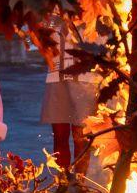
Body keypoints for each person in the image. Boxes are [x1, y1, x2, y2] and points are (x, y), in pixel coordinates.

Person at [40, 22, 98, 174]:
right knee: (59, 135)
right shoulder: (53, 6)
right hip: (57, 74)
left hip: (86, 77)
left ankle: (79, 185)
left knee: (81, 137)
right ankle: (63, 184)